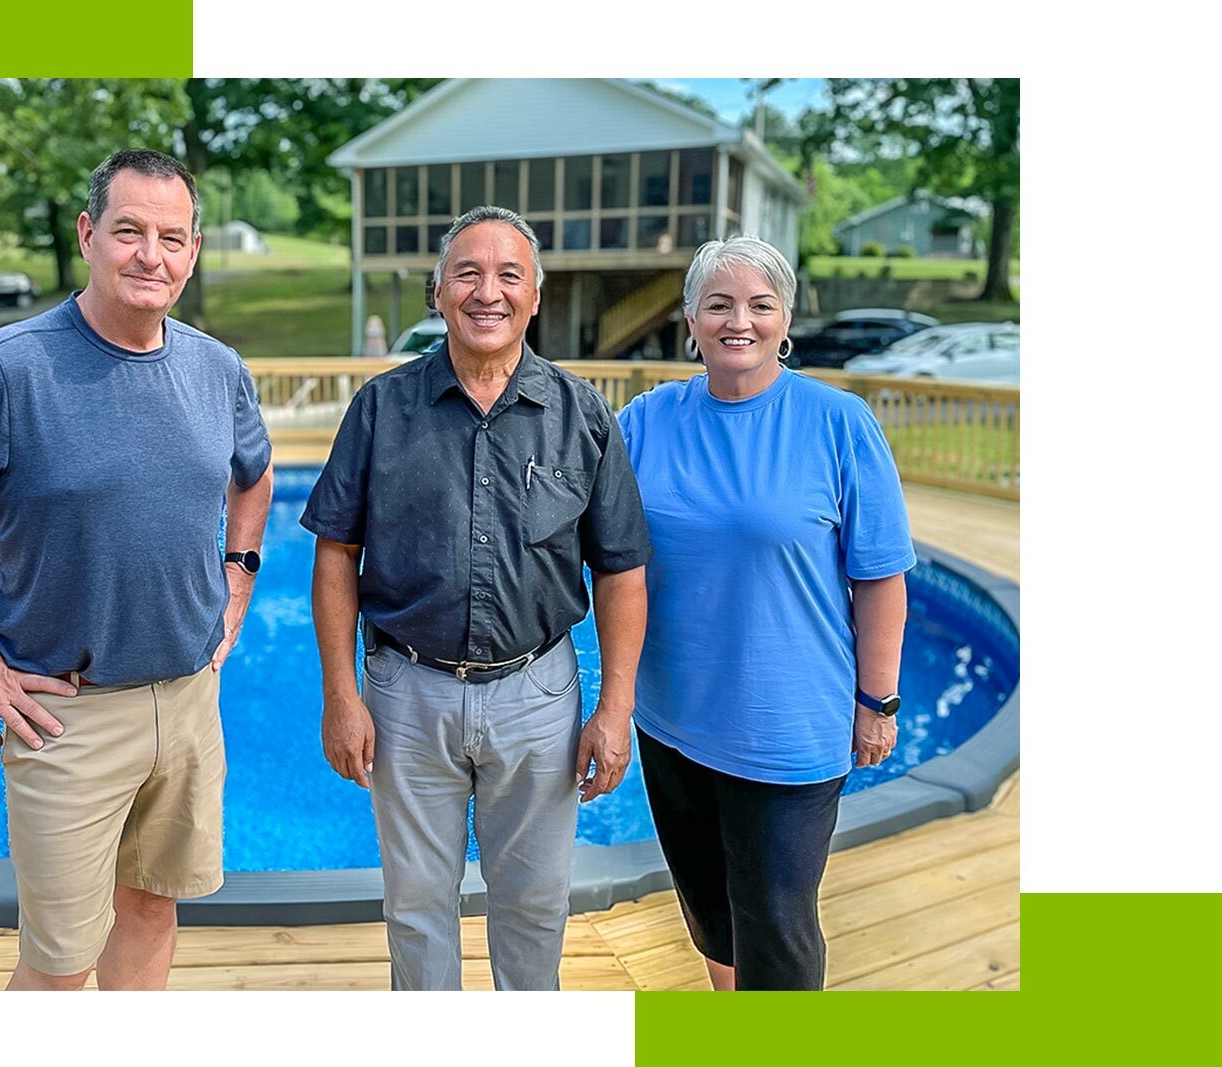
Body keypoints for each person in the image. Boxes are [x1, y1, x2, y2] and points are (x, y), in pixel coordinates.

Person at [0, 149, 273, 990]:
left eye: (173, 237)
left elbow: (252, 474)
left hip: (189, 702)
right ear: (88, 234)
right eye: (130, 231)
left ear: (193, 251)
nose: (152, 254)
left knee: (152, 910)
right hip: (66, 718)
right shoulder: (8, 369)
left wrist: (238, 579)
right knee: (58, 968)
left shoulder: (216, 368)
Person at [302, 205, 652, 990]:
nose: (485, 292)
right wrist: (341, 695)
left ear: (535, 296)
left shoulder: (582, 414)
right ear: (436, 292)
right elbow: (336, 557)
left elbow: (622, 569)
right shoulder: (380, 410)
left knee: (533, 907)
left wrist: (615, 707)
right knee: (417, 909)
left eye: (507, 275)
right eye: (467, 272)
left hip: (538, 694)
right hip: (405, 692)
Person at [617, 235, 915, 991]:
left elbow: (880, 576)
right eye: (718, 304)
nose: (737, 321)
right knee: (710, 914)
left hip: (787, 726)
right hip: (672, 719)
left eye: (759, 304)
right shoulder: (647, 420)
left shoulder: (838, 422)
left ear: (786, 321)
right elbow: (586, 537)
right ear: (691, 319)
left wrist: (876, 700)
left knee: (777, 931)